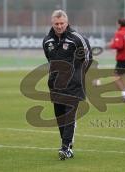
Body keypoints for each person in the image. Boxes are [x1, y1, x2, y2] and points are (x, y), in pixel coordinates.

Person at [43, 10, 92, 160]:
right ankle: (67, 145)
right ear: (52, 23)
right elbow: (50, 60)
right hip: (55, 86)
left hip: (73, 86)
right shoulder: (47, 41)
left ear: (67, 22)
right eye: (56, 24)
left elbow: (88, 58)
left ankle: (65, 147)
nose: (59, 26)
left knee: (69, 117)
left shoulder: (77, 38)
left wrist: (77, 74)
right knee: (60, 118)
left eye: (61, 23)